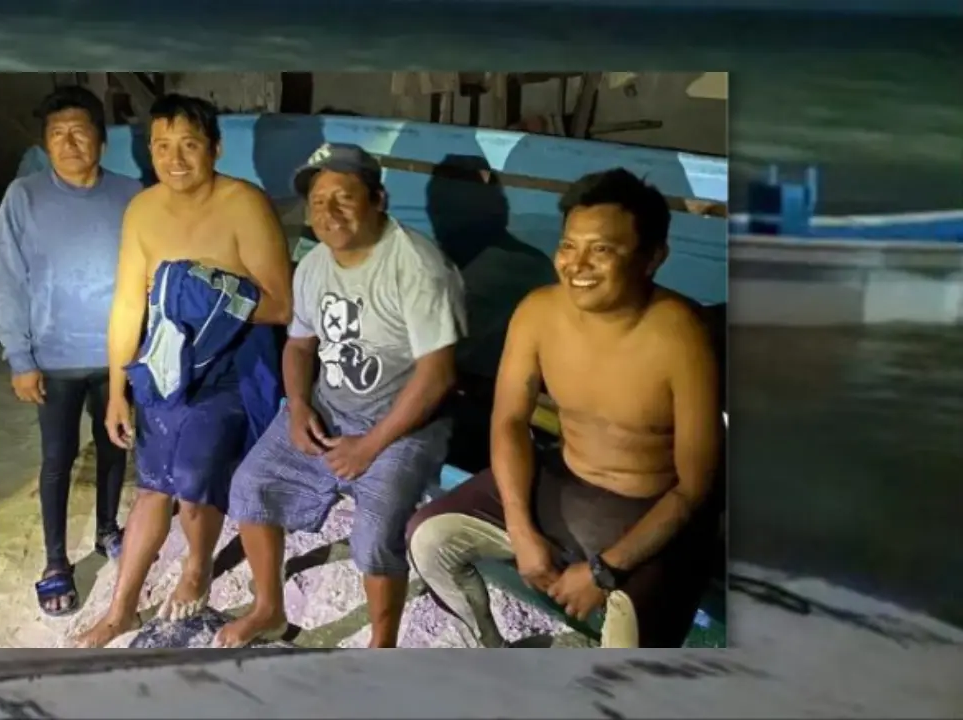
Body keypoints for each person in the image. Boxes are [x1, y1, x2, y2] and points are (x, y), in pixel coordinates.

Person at [406, 168, 723, 648]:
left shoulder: (681, 337)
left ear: (653, 257)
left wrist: (605, 570)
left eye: (602, 250)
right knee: (427, 538)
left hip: (653, 510)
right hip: (566, 480)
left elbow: (696, 486)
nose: (577, 265)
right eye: (569, 246)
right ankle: (485, 647)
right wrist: (521, 528)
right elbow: (510, 420)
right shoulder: (538, 312)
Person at [214, 143, 467, 649]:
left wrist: (370, 446)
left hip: (407, 422)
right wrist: (299, 407)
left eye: (344, 197)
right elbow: (299, 347)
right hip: (331, 407)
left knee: (374, 537)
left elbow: (437, 376)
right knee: (249, 487)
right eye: (318, 201)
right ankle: (268, 609)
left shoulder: (416, 265)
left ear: (378, 199)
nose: (328, 212)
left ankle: (381, 644)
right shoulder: (313, 267)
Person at [72, 94, 293, 648]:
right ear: (149, 150)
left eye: (189, 145)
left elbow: (282, 305)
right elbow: (128, 305)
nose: (175, 158)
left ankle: (198, 565)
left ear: (215, 149)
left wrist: (204, 293)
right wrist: (118, 390)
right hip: (165, 358)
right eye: (162, 146)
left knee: (193, 485)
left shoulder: (245, 204)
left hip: (232, 363)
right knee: (151, 488)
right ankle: (121, 609)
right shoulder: (142, 210)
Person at [0, 86, 142, 617]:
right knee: (56, 458)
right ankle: (56, 561)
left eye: (80, 131)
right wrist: (20, 356)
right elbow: (8, 280)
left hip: (116, 357)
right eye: (57, 134)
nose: (69, 142)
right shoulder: (24, 197)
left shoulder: (131, 195)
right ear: (45, 144)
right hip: (53, 358)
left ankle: (107, 530)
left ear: (101, 140)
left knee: (112, 449)